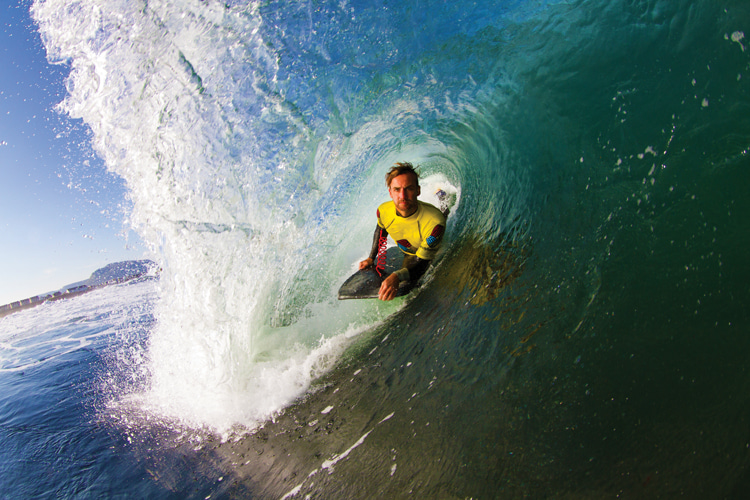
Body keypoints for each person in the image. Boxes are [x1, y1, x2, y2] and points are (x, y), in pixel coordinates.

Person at [359, 162, 447, 301]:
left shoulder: (435, 223)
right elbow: (381, 231)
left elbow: (422, 264)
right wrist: (371, 257)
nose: (403, 195)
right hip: (408, 251)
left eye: (409, 188)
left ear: (418, 190)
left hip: (425, 253)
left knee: (443, 214)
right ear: (390, 192)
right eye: (397, 189)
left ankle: (442, 198)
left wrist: (396, 276)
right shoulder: (383, 211)